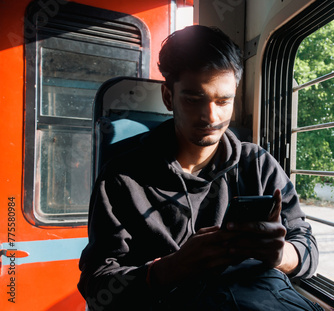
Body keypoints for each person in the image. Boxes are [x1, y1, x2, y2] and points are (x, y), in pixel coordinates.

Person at [78, 25, 320, 310]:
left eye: (223, 101)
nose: (211, 116)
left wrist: (280, 255)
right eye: (194, 100)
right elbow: (97, 286)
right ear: (168, 96)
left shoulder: (257, 164)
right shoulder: (122, 178)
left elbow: (307, 248)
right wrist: (172, 268)